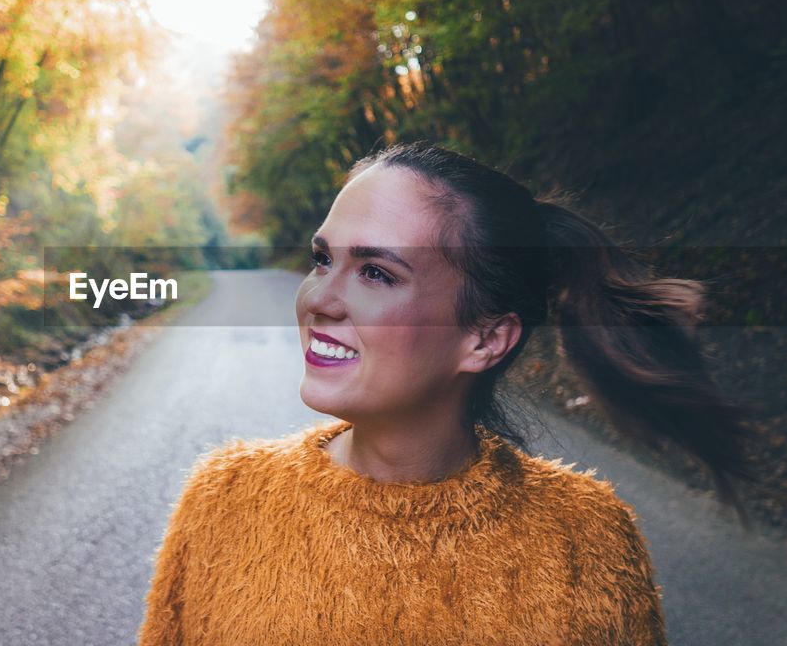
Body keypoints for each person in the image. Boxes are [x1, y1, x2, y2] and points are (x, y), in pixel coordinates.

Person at [137, 142, 752, 645]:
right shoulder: (224, 499)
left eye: (377, 272)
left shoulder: (585, 542)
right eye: (323, 259)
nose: (319, 298)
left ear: (485, 338)